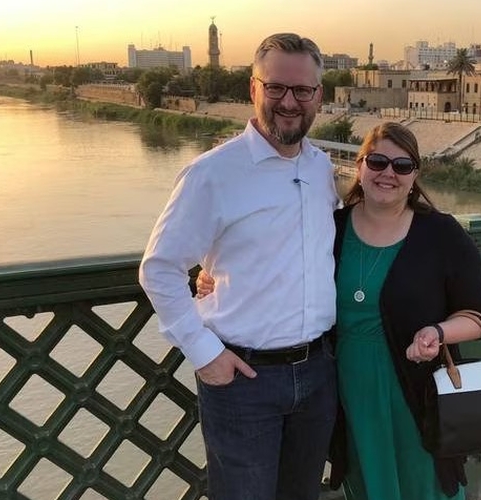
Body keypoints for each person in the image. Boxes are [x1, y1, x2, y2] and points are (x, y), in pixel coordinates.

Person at [198, 122, 481, 499]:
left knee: (425, 484)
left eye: (402, 166)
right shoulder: (331, 227)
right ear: (359, 166)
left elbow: (477, 317)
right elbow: (276, 265)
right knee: (367, 483)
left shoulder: (441, 233)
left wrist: (438, 333)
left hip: (414, 388)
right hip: (343, 388)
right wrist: (213, 276)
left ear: (415, 175)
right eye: (378, 161)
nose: (388, 173)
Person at [138, 33, 339, 500]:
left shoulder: (321, 169)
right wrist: (204, 354)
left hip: (318, 373)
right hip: (244, 380)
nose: (289, 101)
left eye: (302, 91)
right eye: (276, 88)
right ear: (253, 89)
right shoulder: (213, 173)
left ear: (318, 97)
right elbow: (160, 269)